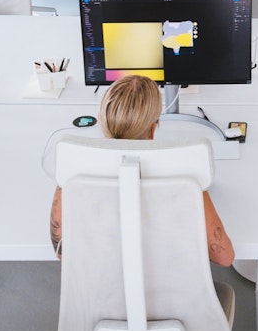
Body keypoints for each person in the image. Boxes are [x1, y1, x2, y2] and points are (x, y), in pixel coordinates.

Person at [50, 75, 234, 267]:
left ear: (103, 122)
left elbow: (62, 252)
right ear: (153, 129)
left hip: (101, 294)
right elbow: (224, 257)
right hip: (173, 295)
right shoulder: (187, 177)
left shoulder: (75, 174)